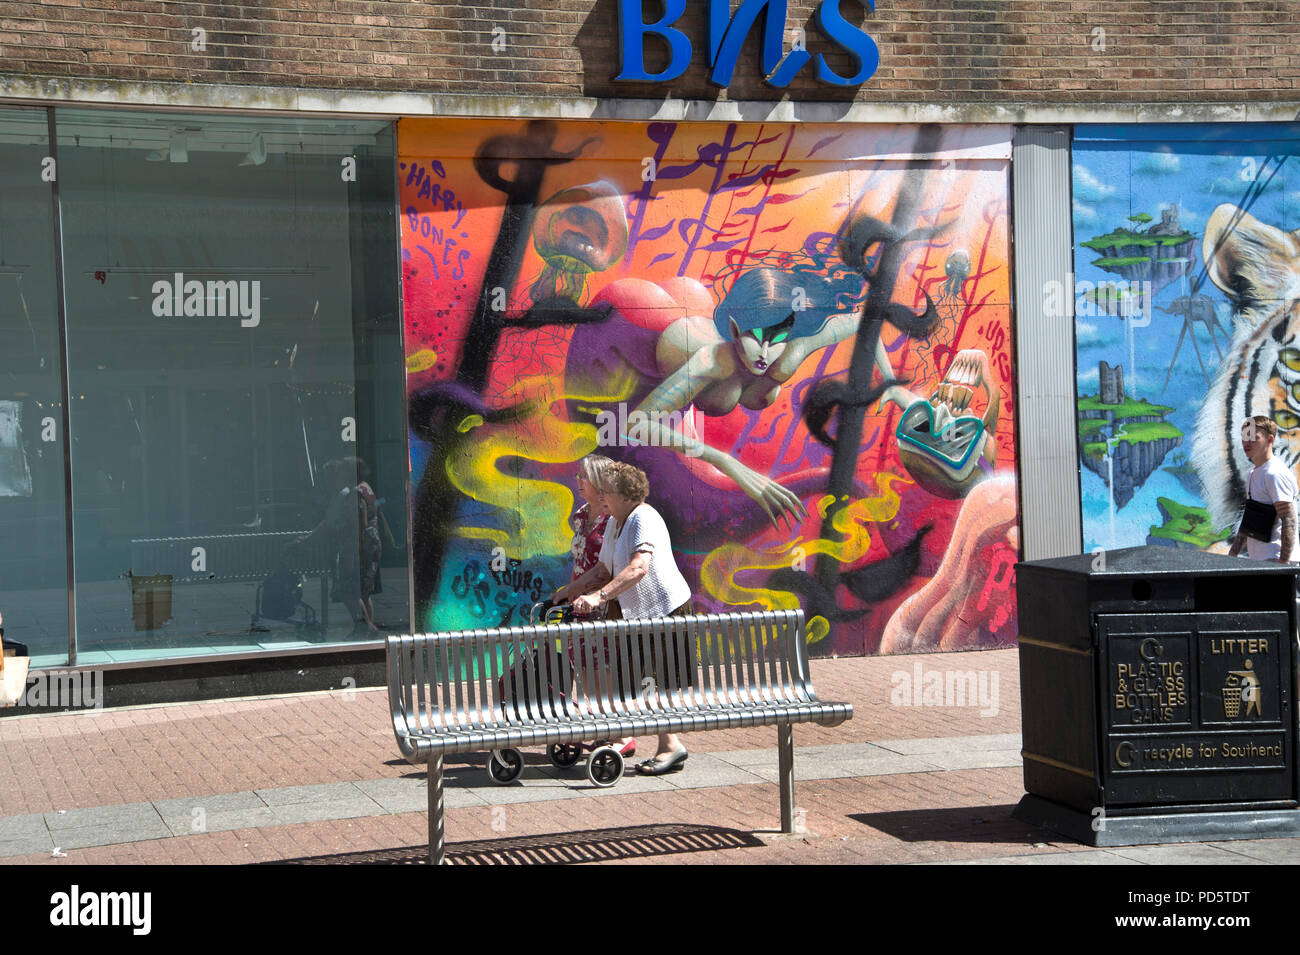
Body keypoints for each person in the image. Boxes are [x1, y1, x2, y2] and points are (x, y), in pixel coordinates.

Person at [572, 462, 694, 775]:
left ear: (627, 497)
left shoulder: (643, 517)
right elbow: (602, 570)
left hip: (664, 610)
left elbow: (639, 568)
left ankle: (669, 746)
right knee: (640, 683)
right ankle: (634, 738)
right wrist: (567, 592)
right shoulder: (616, 521)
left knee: (657, 684)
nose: (602, 496)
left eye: (607, 492)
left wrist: (599, 597)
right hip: (639, 615)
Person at [301, 457, 383, 633]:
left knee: (348, 591)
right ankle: (363, 628)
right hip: (372, 544)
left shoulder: (354, 493)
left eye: (343, 470)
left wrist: (349, 554)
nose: (340, 474)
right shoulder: (366, 487)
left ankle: (366, 627)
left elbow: (357, 526)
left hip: (357, 549)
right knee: (363, 592)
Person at [1228, 416, 1297, 564]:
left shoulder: (1274, 473)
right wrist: (1232, 554)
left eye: (1254, 437)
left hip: (1275, 559)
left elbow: (1289, 518)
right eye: (1245, 437)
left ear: (1270, 440)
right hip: (1261, 561)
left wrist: (1283, 562)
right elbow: (1251, 519)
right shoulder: (1253, 474)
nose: (1247, 442)